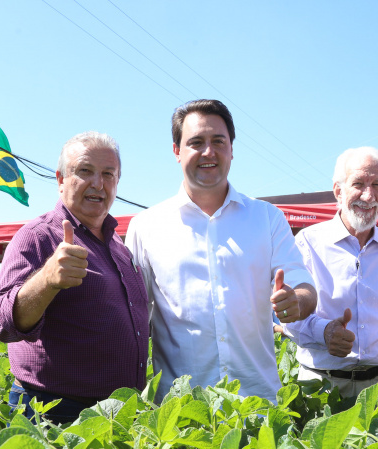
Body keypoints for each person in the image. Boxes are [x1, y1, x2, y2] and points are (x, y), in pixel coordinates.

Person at [126, 99, 316, 401]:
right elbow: (133, 315)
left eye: (218, 141)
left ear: (231, 149)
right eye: (196, 143)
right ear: (177, 151)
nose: (208, 152)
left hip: (258, 404)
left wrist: (297, 301)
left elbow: (303, 286)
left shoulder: (267, 218)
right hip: (181, 411)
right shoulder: (146, 227)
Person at [0, 132, 149, 425]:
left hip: (117, 412)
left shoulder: (118, 246)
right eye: (85, 171)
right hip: (55, 411)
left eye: (108, 174)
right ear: (61, 179)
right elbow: (0, 322)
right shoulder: (37, 236)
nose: (98, 184)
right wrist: (47, 279)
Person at [282, 147, 378, 397]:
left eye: (377, 184)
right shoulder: (307, 244)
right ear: (338, 191)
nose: (368, 194)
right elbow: (290, 316)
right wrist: (324, 332)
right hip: (320, 385)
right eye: (358, 183)